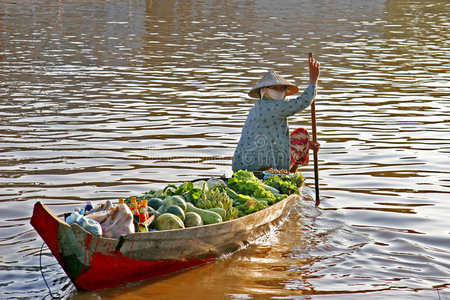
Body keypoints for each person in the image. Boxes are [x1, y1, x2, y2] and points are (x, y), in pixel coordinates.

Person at [232, 53, 320, 173]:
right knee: (302, 134)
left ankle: (288, 176)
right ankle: (289, 175)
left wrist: (304, 145)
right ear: (264, 91)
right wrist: (313, 81)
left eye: (282, 88)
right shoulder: (272, 106)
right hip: (261, 165)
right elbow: (303, 102)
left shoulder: (257, 107)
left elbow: (274, 137)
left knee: (302, 138)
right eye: (275, 88)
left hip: (242, 164)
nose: (279, 91)